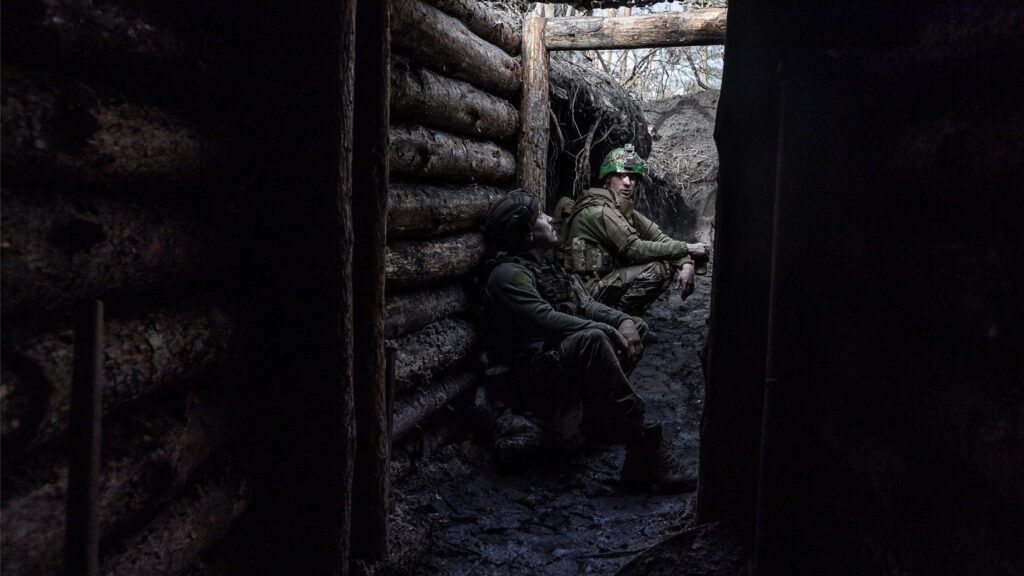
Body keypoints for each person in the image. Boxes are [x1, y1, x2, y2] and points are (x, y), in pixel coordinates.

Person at [478, 189, 695, 493]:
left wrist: (624, 321)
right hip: (525, 379)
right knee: (593, 339)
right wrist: (606, 330)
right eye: (540, 217)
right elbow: (547, 319)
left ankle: (595, 421)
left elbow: (586, 305)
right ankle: (644, 448)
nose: (550, 218)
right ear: (526, 234)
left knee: (637, 328)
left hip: (551, 366)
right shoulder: (507, 275)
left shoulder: (547, 267)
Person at [558, 144, 709, 315]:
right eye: (621, 176)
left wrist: (686, 263)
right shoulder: (598, 211)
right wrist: (687, 248)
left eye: (632, 177)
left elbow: (660, 239)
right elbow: (635, 249)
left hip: (605, 283)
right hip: (584, 294)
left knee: (665, 260)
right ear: (608, 180)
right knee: (659, 269)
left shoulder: (622, 210)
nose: (628, 183)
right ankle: (619, 319)